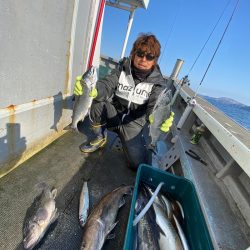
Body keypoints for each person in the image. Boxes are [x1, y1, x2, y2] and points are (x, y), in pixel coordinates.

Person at [74, 33, 174, 170]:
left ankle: (129, 141)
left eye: (149, 56)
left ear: (155, 60)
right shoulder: (121, 70)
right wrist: (93, 89)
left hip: (133, 125)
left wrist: (161, 117)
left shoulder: (158, 84)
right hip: (113, 115)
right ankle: (100, 136)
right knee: (97, 100)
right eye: (139, 53)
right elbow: (107, 84)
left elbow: (156, 105)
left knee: (137, 165)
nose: (143, 59)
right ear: (133, 54)